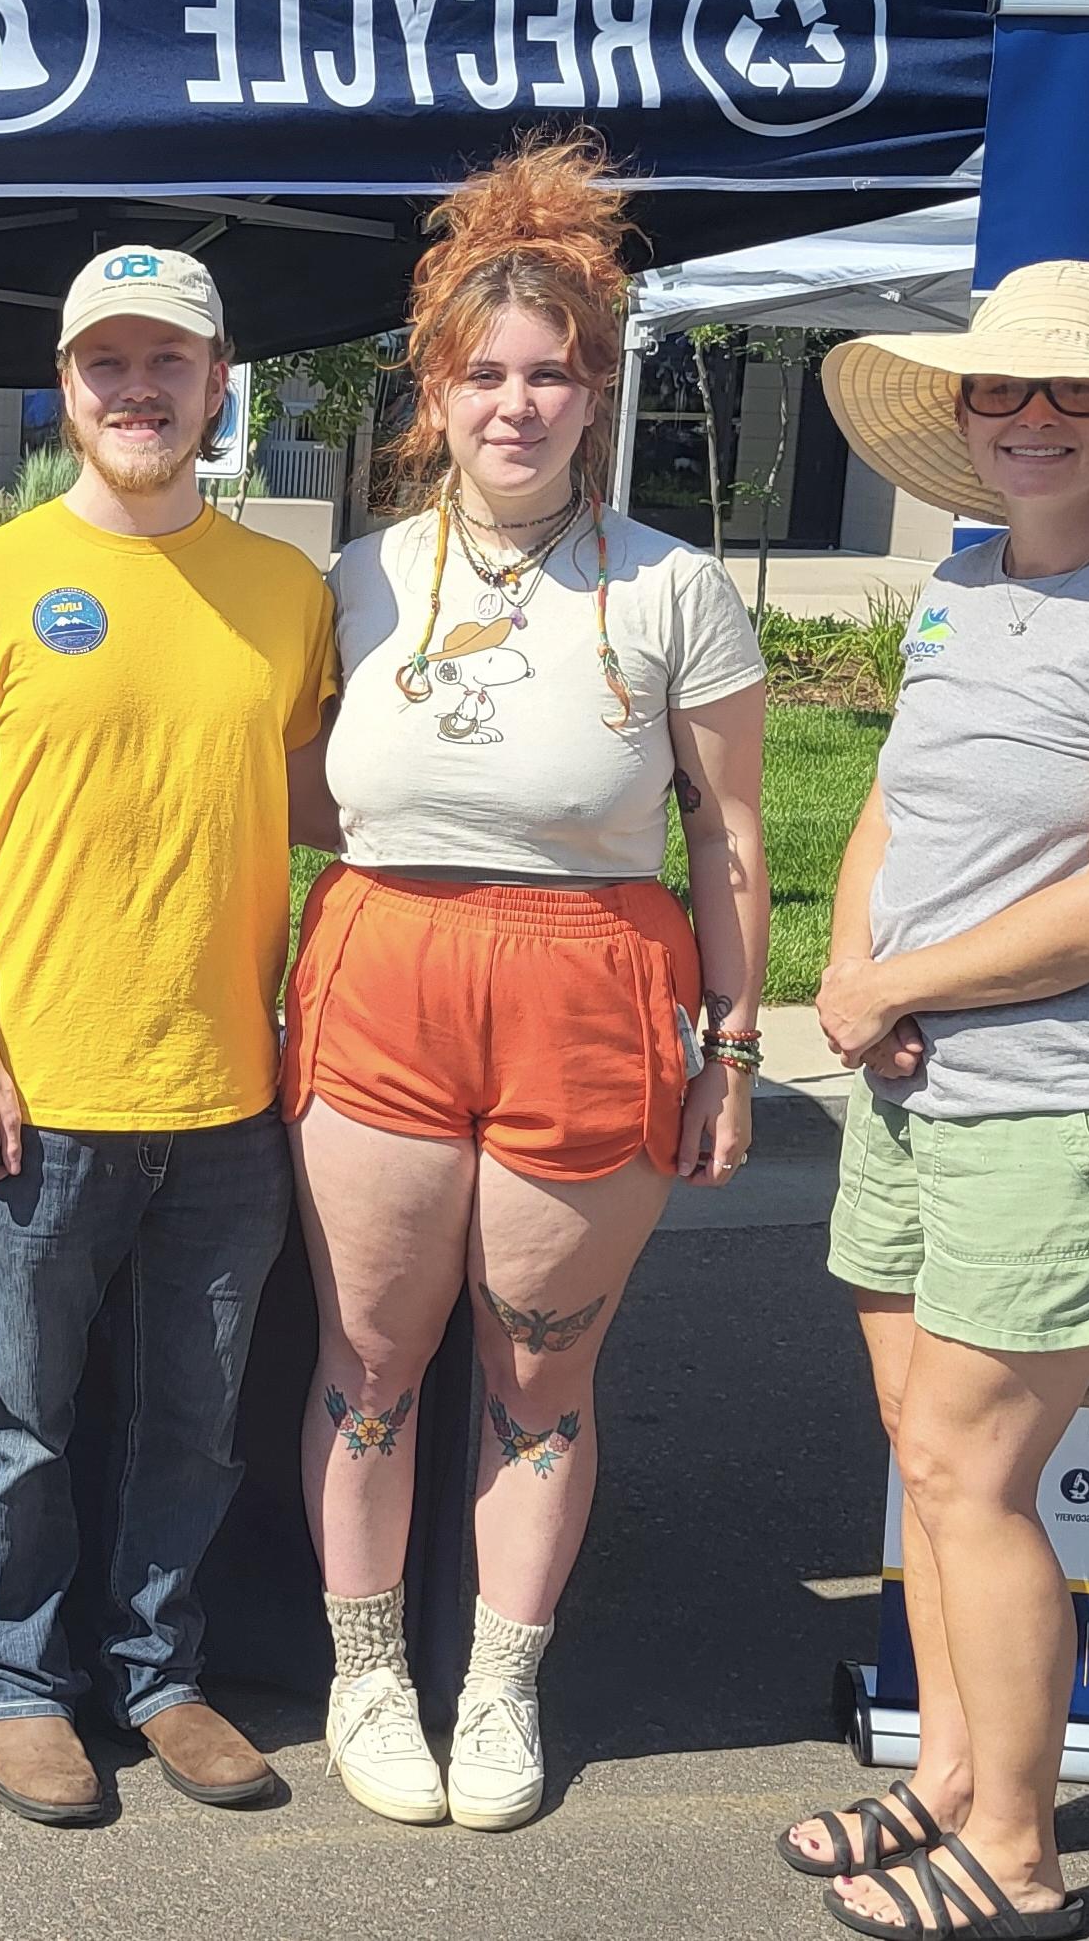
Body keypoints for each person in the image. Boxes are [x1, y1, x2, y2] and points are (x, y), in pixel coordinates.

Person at [776, 261, 1089, 1938]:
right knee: (923, 1470)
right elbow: (889, 815)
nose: (1035, 419)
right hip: (918, 1086)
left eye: (1076, 391)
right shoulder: (964, 583)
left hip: (1062, 1109)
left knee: (967, 1476)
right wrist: (858, 977)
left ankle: (1015, 1850)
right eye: (1003, 391)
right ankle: (946, 1778)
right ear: (963, 414)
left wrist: (898, 987)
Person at [283, 142, 768, 1833]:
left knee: (538, 1368)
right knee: (367, 1353)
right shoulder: (346, 582)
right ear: (433, 387)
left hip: (594, 980)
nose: (516, 403)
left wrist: (730, 1046)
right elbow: (283, 797)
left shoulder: (674, 584)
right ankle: (366, 1668)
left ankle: (500, 1679)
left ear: (594, 392)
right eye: (483, 372)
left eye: (550, 374)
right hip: (382, 969)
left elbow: (730, 837)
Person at [0, 245, 338, 1830]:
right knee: (19, 1419)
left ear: (220, 385)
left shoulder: (286, 589)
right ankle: (14, 1680)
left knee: (194, 1420)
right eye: (106, 364)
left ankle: (159, 1669)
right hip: (44, 1089)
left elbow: (328, 806)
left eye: (170, 363)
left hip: (228, 1090)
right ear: (64, 385)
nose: (139, 391)